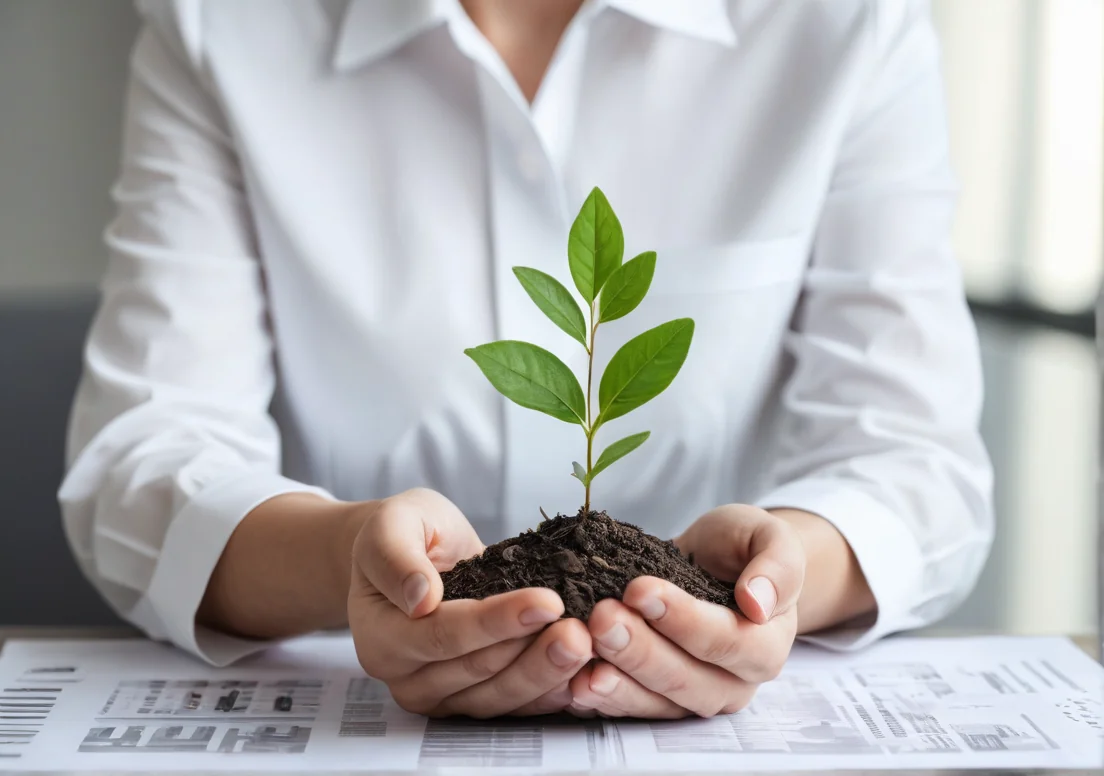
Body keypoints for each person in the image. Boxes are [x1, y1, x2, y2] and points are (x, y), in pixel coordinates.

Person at [60, 0, 993, 719]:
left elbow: (916, 462)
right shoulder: (226, 26)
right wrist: (352, 558)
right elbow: (144, 458)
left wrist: (773, 584)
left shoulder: (840, 23)